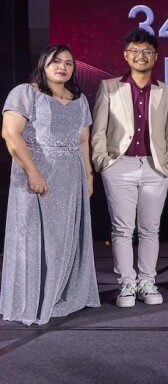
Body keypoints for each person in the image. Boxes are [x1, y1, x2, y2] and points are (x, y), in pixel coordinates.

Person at [0, 44, 100, 325]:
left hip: (71, 178)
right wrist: (33, 172)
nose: (63, 67)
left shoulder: (79, 100)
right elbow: (11, 135)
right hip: (36, 175)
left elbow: (83, 141)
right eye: (56, 61)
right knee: (35, 236)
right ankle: (34, 299)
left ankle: (62, 293)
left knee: (66, 237)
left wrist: (88, 176)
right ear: (43, 64)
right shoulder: (25, 93)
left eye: (69, 63)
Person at [92, 29, 168, 308]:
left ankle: (147, 281)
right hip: (120, 165)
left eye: (147, 51)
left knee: (151, 229)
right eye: (135, 51)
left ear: (155, 56)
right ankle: (127, 285)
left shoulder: (167, 91)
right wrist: (103, 163)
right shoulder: (109, 87)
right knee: (122, 229)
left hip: (155, 167)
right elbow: (99, 130)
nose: (141, 56)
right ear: (126, 55)